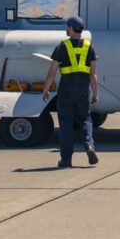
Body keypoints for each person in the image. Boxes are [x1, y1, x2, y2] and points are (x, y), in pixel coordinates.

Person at [42, 15, 99, 167]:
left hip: (66, 91)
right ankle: (89, 145)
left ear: (71, 28)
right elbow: (93, 74)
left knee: (66, 124)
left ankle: (66, 159)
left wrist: (46, 90)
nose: (65, 29)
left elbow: (52, 72)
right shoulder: (89, 47)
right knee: (86, 120)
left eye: (67, 26)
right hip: (83, 91)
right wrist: (96, 93)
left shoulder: (62, 46)